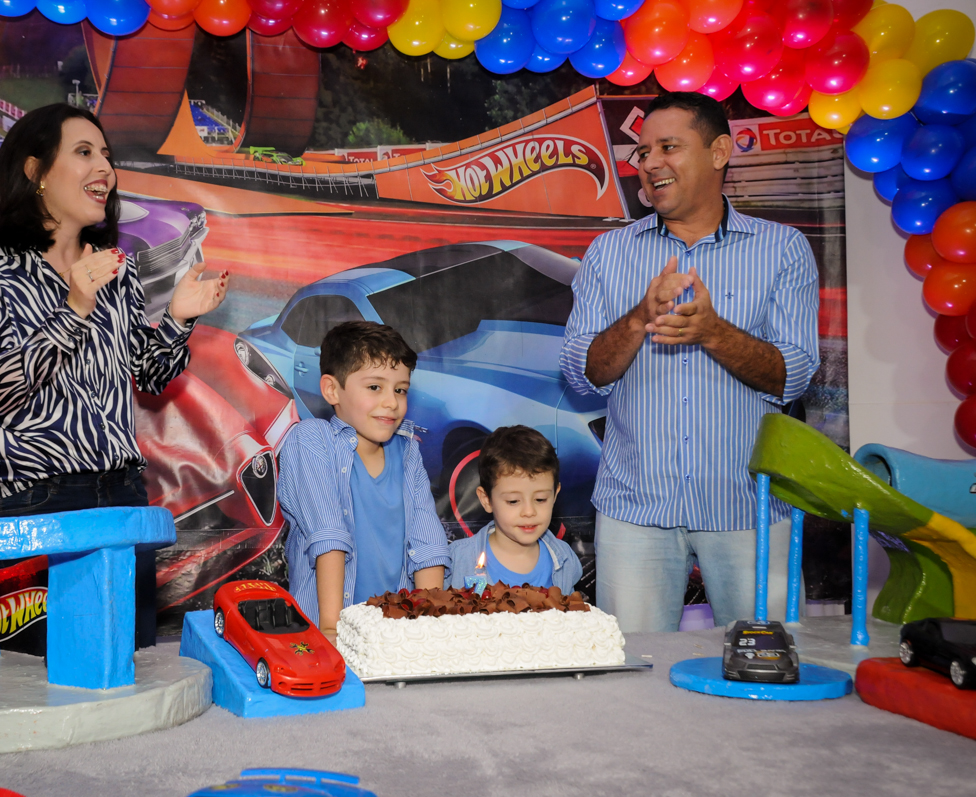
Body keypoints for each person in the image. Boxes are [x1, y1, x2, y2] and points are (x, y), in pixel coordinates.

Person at [0, 104, 229, 651]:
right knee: (35, 679)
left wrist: (178, 318)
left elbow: (150, 374)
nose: (104, 167)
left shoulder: (114, 267)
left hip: (121, 494)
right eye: (84, 152)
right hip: (37, 500)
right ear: (35, 171)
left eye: (106, 154)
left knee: (130, 667)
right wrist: (75, 304)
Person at [559, 92, 819, 633]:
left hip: (747, 508)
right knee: (633, 668)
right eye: (643, 151)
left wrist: (713, 332)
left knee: (764, 664)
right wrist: (639, 318)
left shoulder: (782, 248)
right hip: (636, 510)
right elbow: (583, 374)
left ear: (719, 152)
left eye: (668, 147)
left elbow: (794, 375)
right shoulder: (609, 252)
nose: (650, 162)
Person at [277, 321, 450, 640]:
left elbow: (428, 546)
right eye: (374, 387)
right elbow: (328, 536)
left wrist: (429, 628)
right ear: (332, 390)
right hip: (328, 634)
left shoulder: (408, 451)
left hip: (394, 635)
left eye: (400, 390)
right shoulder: (311, 439)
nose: (391, 402)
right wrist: (332, 629)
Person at [447, 426, 581, 593]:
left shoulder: (566, 559)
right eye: (513, 501)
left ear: (555, 495)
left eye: (540, 499)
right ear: (486, 500)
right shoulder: (457, 561)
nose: (529, 512)